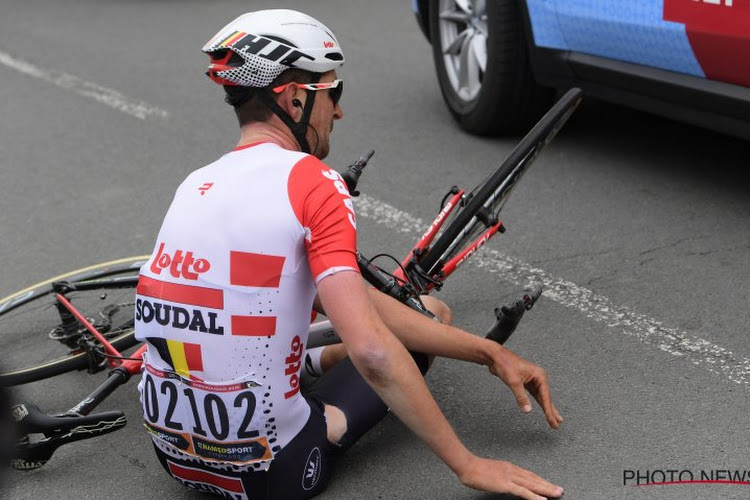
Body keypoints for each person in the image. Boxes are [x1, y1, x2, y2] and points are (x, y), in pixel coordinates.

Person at [134, 9, 564, 500]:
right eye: (332, 92)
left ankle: (298, 376)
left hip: (173, 456)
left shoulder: (195, 184)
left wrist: (488, 351)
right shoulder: (315, 183)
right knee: (412, 337)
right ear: (294, 98)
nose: (338, 111)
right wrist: (468, 465)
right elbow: (375, 351)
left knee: (421, 315)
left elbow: (360, 301)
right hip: (269, 474)